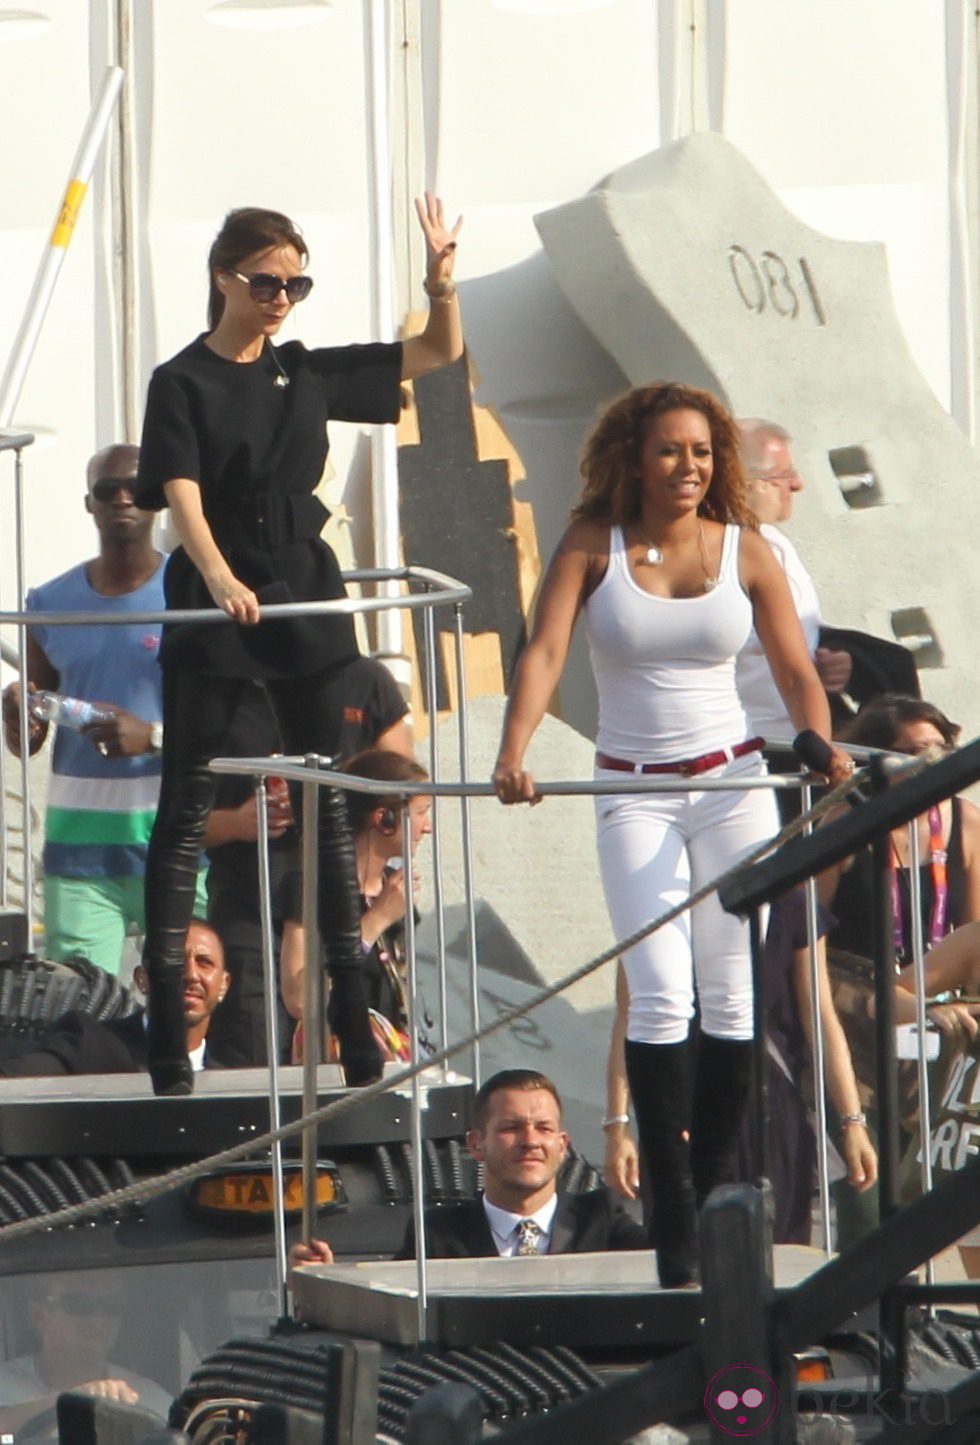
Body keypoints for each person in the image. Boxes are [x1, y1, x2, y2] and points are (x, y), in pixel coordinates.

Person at [492, 382, 852, 1286]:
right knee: (658, 994)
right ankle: (673, 1212)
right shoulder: (590, 542)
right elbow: (542, 650)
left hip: (733, 784)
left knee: (731, 996)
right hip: (634, 791)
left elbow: (795, 669)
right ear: (632, 457)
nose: (687, 467)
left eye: (700, 452)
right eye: (668, 451)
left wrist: (822, 743)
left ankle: (707, 1192)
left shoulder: (750, 548)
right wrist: (515, 748)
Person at [132, 195, 463, 1096]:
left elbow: (436, 353)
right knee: (191, 794)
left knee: (323, 792)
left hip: (303, 579)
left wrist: (440, 283)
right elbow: (181, 489)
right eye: (265, 281)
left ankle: (351, 1025)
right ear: (223, 278)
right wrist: (219, 577)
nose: (281, 297)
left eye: (295, 283)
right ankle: (168, 1025)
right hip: (219, 584)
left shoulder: (304, 370)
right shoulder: (182, 379)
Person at [0, 445, 189, 976]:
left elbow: (230, 728)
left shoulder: (190, 594)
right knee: (80, 1027)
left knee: (187, 1022)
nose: (123, 498)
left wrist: (150, 735)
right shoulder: (47, 603)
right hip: (79, 856)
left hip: (180, 845)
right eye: (108, 490)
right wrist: (17, 712)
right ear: (90, 504)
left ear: (156, 500)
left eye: (137, 487)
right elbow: (28, 742)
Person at [604, 891, 878, 1245]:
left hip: (770, 1104)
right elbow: (629, 1021)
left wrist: (852, 1122)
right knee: (684, 1248)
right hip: (678, 1108)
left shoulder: (789, 904)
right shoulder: (655, 907)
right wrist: (617, 1127)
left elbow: (822, 1019)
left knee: (776, 1250)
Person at [818, 694, 980, 1246]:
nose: (933, 764)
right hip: (851, 1001)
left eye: (941, 749)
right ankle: (868, 1299)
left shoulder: (964, 821)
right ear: (879, 760)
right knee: (868, 1174)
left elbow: (973, 937)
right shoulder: (845, 819)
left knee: (930, 1177)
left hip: (933, 1003)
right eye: (915, 752)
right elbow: (806, 940)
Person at [203, 661, 412, 1065]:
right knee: (254, 1050)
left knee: (360, 1049)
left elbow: (406, 789)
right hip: (253, 903)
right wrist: (238, 821)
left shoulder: (365, 680)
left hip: (345, 894)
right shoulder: (217, 688)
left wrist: (330, 802)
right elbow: (175, 823)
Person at [290, 1069, 645, 1277]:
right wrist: (325, 1277)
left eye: (544, 1128)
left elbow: (678, 1264)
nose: (530, 1141)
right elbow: (384, 1307)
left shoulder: (602, 1219)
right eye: (511, 1128)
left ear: (563, 1145)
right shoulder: (438, 1236)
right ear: (476, 1144)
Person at [279, 749, 432, 1063]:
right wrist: (376, 920)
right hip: (336, 1067)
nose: (427, 827)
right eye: (421, 812)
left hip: (399, 1066)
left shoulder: (394, 889)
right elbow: (298, 998)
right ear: (384, 819)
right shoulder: (311, 885)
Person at [0, 920, 230, 1076]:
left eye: (205, 963)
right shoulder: (92, 1043)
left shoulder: (232, 1086)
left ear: (223, 985)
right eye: (176, 961)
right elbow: (16, 1083)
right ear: (142, 980)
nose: (191, 975)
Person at [0, 1268, 171, 1440]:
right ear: (38, 1314)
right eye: (80, 1305)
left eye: (112, 1305)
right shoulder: (4, 1385)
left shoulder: (149, 1400)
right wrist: (73, 1402)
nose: (98, 1321)